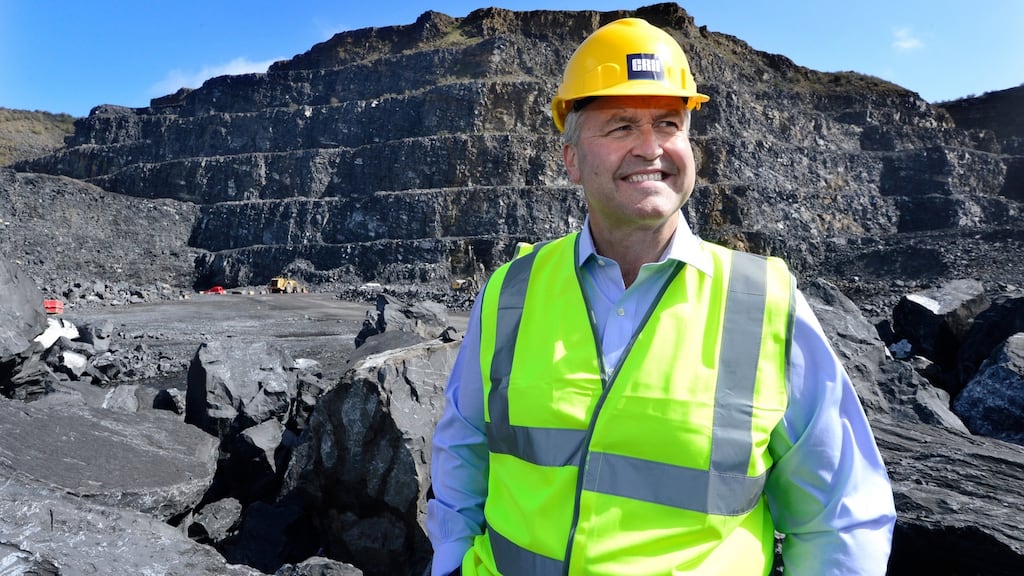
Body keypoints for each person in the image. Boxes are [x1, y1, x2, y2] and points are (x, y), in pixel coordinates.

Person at [427, 16, 896, 576]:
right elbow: (465, 450)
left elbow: (839, 517)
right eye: (621, 126)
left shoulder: (764, 302)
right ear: (571, 159)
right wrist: (451, 563)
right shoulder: (511, 291)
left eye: (669, 124)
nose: (650, 147)